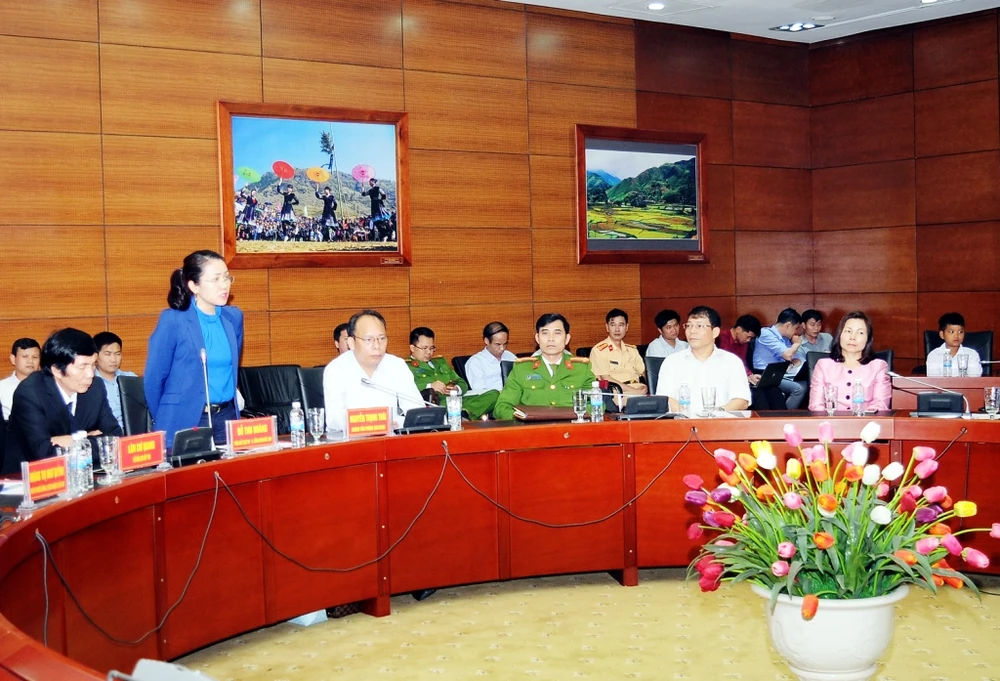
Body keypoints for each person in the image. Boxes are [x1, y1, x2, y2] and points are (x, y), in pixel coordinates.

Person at [145, 250, 243, 449]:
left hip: (226, 418)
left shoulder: (233, 318)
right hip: (186, 419)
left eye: (226, 277)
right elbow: (154, 379)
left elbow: (233, 366)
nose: (224, 285)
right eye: (215, 279)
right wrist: (165, 416)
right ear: (194, 286)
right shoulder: (173, 320)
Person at [3, 328, 121, 474]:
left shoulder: (95, 388)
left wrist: (74, 440)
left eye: (93, 364)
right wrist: (92, 439)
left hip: (82, 473)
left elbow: (116, 440)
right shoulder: (30, 393)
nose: (90, 374)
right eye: (82, 367)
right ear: (57, 371)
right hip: (29, 479)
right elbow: (45, 455)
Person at [323, 309, 424, 432]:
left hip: (390, 439)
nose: (377, 346)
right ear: (351, 342)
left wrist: (395, 422)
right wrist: (373, 423)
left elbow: (416, 410)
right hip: (349, 440)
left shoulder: (396, 365)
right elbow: (334, 419)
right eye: (368, 340)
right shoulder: (336, 369)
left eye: (381, 338)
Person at [493, 314, 595, 420]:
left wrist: (576, 415)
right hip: (533, 428)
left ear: (567, 339)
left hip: (571, 427)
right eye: (545, 333)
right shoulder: (522, 368)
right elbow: (502, 407)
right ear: (537, 338)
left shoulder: (582, 368)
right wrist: (523, 420)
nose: (551, 339)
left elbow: (596, 404)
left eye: (557, 333)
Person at [655, 306, 751, 414]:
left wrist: (716, 413)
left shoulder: (732, 362)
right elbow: (665, 399)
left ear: (715, 332)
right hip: (683, 422)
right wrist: (689, 416)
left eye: (699, 326)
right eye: (689, 325)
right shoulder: (671, 362)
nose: (692, 331)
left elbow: (741, 400)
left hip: (720, 422)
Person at [406, 327, 498, 420]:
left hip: (456, 400)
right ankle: (464, 415)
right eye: (424, 348)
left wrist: (456, 389)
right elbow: (404, 389)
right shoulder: (405, 366)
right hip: (435, 404)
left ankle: (465, 414)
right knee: (445, 406)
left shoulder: (440, 362)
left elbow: (461, 383)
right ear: (412, 348)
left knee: (495, 394)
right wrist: (430, 386)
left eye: (431, 348)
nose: (429, 352)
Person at [809, 311, 891, 411]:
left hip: (866, 420)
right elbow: (816, 406)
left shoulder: (878, 367)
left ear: (868, 339)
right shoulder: (823, 366)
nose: (852, 337)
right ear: (840, 335)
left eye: (860, 333)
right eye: (848, 331)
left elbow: (880, 405)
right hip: (829, 420)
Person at [752, 308, 808, 409]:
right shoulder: (765, 333)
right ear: (788, 325)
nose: (796, 332)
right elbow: (788, 355)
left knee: (805, 383)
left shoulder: (785, 338)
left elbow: (798, 359)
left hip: (780, 373)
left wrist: (791, 362)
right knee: (798, 389)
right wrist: (796, 344)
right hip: (764, 374)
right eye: (795, 328)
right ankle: (786, 414)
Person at [589, 309, 647, 396]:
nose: (617, 329)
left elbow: (644, 373)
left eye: (621, 325)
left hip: (639, 390)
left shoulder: (632, 350)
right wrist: (634, 391)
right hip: (617, 392)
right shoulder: (599, 350)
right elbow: (605, 378)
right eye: (613, 325)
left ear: (626, 327)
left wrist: (649, 387)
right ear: (607, 327)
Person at [92, 331, 137, 431]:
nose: (113, 359)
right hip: (107, 433)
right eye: (107, 354)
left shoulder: (131, 378)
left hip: (134, 431)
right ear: (96, 356)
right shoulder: (90, 382)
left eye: (117, 354)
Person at [465, 322, 518, 393]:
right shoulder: (475, 362)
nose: (502, 348)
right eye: (498, 344)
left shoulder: (510, 356)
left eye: (505, 344)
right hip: (492, 398)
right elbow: (481, 392)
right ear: (487, 341)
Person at [927, 312, 983, 377]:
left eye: (960, 332)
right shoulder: (934, 356)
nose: (956, 335)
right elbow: (934, 381)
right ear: (942, 334)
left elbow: (974, 380)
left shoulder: (972, 355)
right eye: (951, 332)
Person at [0, 338, 40, 420]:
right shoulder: (1, 388)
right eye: (25, 356)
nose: (30, 361)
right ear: (13, 359)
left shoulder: (49, 387)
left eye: (35, 357)